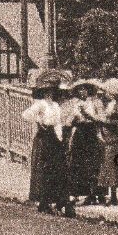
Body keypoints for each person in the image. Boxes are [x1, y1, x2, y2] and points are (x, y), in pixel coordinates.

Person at [22, 76, 71, 216]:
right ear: (43, 92)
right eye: (46, 91)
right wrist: (38, 120)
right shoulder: (40, 104)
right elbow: (25, 115)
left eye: (51, 91)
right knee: (44, 168)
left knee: (56, 168)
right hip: (43, 137)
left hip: (53, 136)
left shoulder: (55, 105)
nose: (49, 93)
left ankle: (54, 200)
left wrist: (60, 138)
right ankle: (43, 201)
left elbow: (58, 123)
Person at [66, 80, 108, 206]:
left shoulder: (95, 102)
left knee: (93, 162)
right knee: (78, 162)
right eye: (80, 89)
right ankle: (77, 193)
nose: (82, 92)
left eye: (84, 89)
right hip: (80, 133)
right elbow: (68, 121)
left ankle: (95, 193)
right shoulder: (75, 103)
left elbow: (102, 119)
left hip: (92, 132)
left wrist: (88, 115)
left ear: (88, 90)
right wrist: (74, 119)